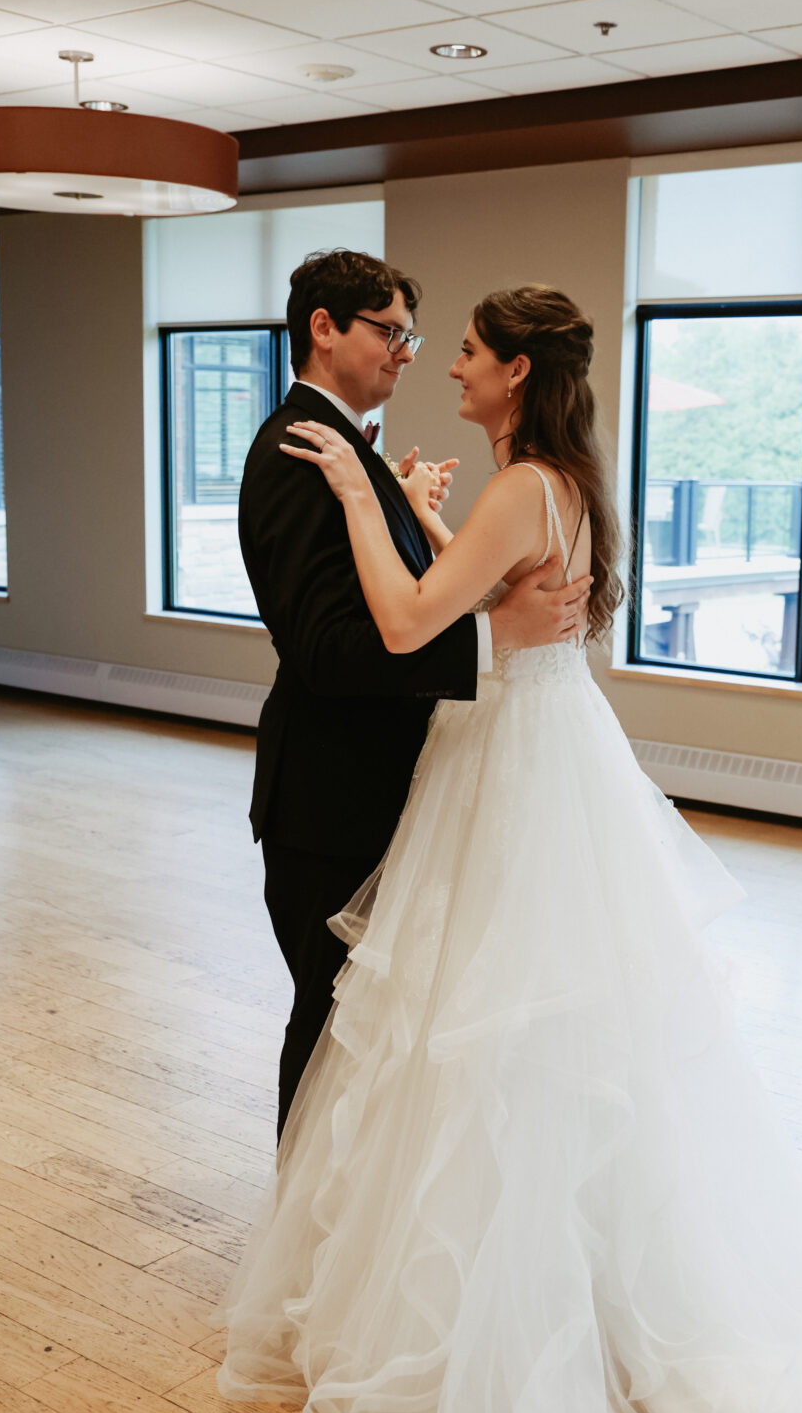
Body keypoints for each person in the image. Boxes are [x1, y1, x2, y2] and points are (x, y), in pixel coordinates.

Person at [218, 284, 802, 1413]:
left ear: (514, 372)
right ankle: (577, 1275)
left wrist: (363, 496)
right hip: (543, 744)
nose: (440, 364)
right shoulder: (565, 479)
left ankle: (502, 1307)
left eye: (459, 350)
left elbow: (411, 619)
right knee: (547, 1036)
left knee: (474, 1030)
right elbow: (486, 597)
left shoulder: (521, 487)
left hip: (504, 766)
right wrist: (414, 511)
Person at [238, 250, 591, 1142]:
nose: (411, 355)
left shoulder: (359, 455)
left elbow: (424, 597)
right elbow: (327, 652)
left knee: (381, 1033)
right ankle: (303, 1234)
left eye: (420, 337)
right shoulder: (297, 456)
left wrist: (408, 515)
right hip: (331, 801)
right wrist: (492, 634)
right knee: (327, 1029)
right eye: (390, 332)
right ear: (324, 329)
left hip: (402, 790)